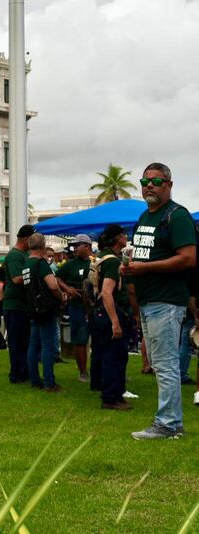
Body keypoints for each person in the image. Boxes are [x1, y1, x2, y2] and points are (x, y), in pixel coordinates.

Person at [123, 162, 196, 440]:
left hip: (167, 300)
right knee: (158, 362)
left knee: (165, 364)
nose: (149, 185)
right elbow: (143, 257)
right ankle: (170, 422)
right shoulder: (144, 217)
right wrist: (130, 268)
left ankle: (168, 424)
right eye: (145, 181)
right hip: (148, 299)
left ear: (169, 184)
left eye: (156, 181)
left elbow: (188, 258)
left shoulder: (176, 216)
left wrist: (144, 268)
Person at [91, 224, 134, 410]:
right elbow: (107, 292)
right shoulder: (111, 262)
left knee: (110, 354)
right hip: (112, 312)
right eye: (124, 235)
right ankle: (111, 397)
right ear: (118, 239)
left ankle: (114, 393)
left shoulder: (100, 258)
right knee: (114, 355)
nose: (126, 237)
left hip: (100, 312)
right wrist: (115, 322)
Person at [23, 233, 65, 392]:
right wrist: (61, 297)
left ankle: (34, 379)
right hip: (45, 309)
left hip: (33, 308)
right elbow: (53, 286)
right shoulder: (41, 264)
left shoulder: (26, 264)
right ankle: (49, 382)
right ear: (43, 246)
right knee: (48, 346)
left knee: (33, 345)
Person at [56, 234, 93, 383]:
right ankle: (83, 372)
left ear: (88, 247)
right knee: (80, 340)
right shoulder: (70, 264)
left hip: (95, 307)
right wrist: (68, 289)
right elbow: (57, 278)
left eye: (79, 245)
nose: (75, 248)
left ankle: (101, 370)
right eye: (74, 245)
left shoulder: (95, 263)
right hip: (77, 307)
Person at [3, 224, 35, 383]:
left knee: (24, 341)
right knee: (17, 342)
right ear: (26, 239)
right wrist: (35, 276)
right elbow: (16, 279)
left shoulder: (24, 254)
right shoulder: (15, 256)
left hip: (22, 305)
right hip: (14, 305)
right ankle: (17, 374)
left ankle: (24, 372)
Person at [178, 298, 196, 384]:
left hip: (187, 315)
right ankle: (181, 374)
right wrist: (196, 316)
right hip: (192, 316)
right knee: (187, 345)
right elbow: (191, 299)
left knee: (185, 345)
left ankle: (181, 373)